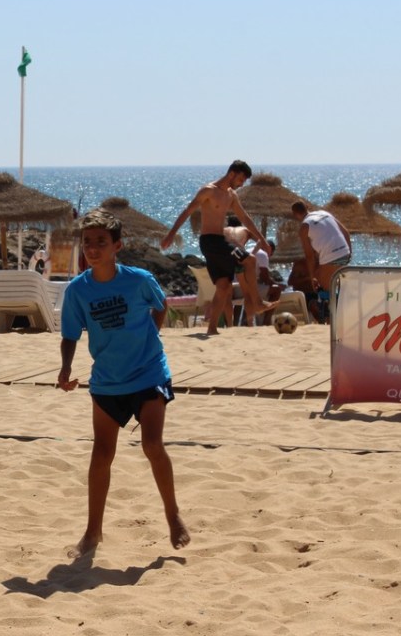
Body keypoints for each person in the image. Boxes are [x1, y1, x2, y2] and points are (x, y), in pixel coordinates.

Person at [58, 208, 190, 556]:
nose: (93, 248)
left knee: (152, 445)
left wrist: (151, 337)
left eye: (101, 242)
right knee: (101, 454)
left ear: (117, 245)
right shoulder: (77, 290)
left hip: (149, 372)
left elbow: (160, 306)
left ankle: (172, 515)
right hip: (108, 380)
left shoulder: (139, 279)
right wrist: (65, 368)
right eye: (88, 242)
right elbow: (70, 334)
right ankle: (93, 532)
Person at [160, 160, 278, 334]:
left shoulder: (231, 195)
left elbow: (245, 218)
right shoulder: (208, 190)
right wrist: (171, 234)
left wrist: (262, 239)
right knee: (250, 260)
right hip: (210, 241)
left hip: (220, 241)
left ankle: (212, 328)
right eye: (241, 179)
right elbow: (187, 211)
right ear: (232, 174)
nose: (241, 184)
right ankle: (257, 303)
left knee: (223, 286)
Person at [290, 201, 353, 294]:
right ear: (307, 208)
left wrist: (312, 278)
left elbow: (309, 256)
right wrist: (349, 254)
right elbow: (346, 233)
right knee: (341, 288)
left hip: (330, 257)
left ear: (295, 214)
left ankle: (328, 301)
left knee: (323, 288)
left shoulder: (304, 227)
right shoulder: (324, 213)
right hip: (344, 252)